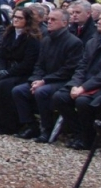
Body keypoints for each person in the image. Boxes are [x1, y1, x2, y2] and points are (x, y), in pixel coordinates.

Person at [51, 8, 101, 149]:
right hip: (84, 83)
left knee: (83, 102)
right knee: (59, 97)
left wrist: (83, 88)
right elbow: (82, 66)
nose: (99, 22)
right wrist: (75, 84)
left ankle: (88, 138)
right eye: (99, 19)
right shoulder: (93, 41)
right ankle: (78, 132)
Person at [12, 8, 84, 142]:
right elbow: (39, 64)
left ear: (64, 23)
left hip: (62, 81)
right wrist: (36, 79)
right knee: (19, 91)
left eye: (53, 20)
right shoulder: (46, 40)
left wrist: (44, 81)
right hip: (45, 80)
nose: (49, 22)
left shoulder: (74, 43)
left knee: (41, 92)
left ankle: (47, 129)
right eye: (48, 19)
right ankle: (31, 125)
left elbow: (68, 70)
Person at [0, 6, 40, 134]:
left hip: (22, 73)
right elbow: (1, 55)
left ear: (27, 20)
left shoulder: (32, 38)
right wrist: (1, 69)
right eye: (15, 17)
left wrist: (10, 72)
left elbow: (28, 63)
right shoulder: (9, 33)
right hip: (6, 70)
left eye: (20, 18)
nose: (16, 20)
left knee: (5, 86)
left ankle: (8, 124)